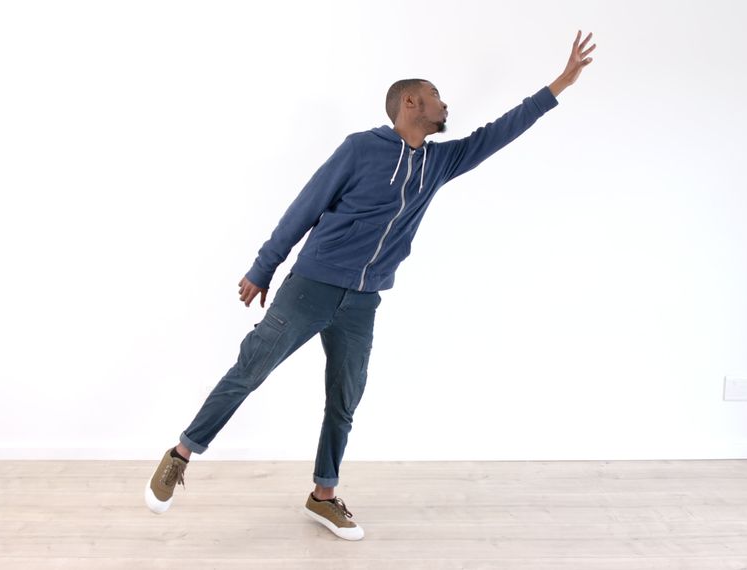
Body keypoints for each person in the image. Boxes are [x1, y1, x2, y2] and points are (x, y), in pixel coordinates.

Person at [146, 30, 597, 541]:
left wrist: (561, 82)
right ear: (411, 102)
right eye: (437, 96)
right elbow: (305, 207)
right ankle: (181, 454)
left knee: (345, 397)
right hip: (311, 286)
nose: (445, 104)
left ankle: (323, 495)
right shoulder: (360, 149)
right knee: (250, 371)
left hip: (363, 301)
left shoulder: (438, 161)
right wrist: (263, 268)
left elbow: (502, 130)